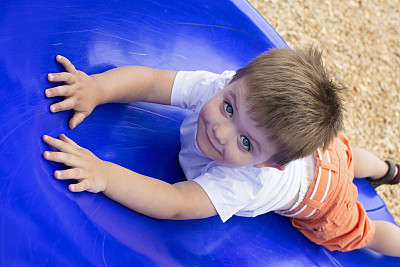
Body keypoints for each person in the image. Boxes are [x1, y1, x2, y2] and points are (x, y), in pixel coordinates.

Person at [42, 47, 400, 256]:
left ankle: (388, 209)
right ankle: (385, 170)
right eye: (228, 109)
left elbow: (174, 203)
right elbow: (151, 81)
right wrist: (96, 89)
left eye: (246, 143)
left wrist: (105, 175)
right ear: (233, 80)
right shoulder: (222, 88)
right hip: (328, 153)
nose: (220, 130)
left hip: (321, 197)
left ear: (268, 164)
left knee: (365, 231)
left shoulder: (243, 183)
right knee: (347, 156)